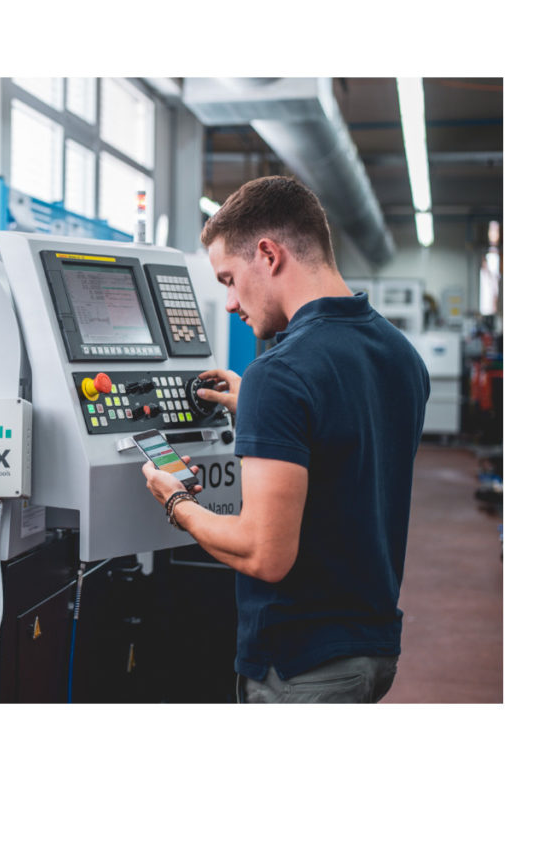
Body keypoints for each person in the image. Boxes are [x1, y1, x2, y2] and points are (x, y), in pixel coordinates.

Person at [142, 176, 430, 703]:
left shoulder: (281, 373)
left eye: (229, 279)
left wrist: (176, 503)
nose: (230, 302)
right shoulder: (399, 353)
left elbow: (264, 554)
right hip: (372, 651)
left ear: (269, 255)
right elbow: (345, 447)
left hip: (302, 665)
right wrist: (256, 404)